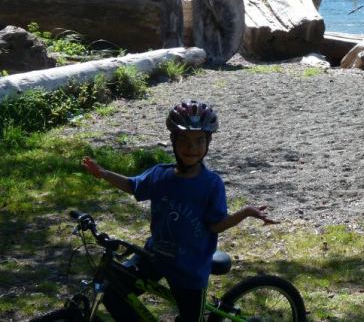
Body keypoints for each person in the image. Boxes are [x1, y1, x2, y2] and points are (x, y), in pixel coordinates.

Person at [81, 99, 277, 322]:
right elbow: (133, 186)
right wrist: (104, 174)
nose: (191, 148)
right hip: (155, 256)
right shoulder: (160, 175)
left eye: (199, 141)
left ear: (208, 142)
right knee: (113, 294)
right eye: (184, 140)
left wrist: (245, 212)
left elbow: (216, 225)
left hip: (190, 269)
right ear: (173, 140)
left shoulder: (210, 184)